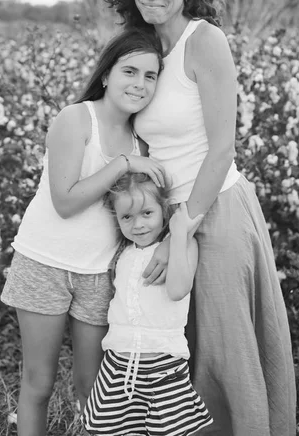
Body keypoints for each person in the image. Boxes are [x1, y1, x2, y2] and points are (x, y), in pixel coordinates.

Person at [103, 0, 296, 436]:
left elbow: (222, 147)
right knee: (178, 352)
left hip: (215, 210)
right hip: (165, 216)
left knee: (226, 349)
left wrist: (180, 230)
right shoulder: (143, 49)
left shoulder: (204, 41)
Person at [1, 27, 168, 436]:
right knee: (38, 384)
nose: (140, 84)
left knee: (92, 388)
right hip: (44, 262)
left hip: (99, 273)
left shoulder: (141, 142)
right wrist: (122, 164)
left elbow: (141, 211)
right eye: (130, 71)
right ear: (107, 74)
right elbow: (65, 201)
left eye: (151, 76)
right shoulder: (76, 118)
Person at [82, 172, 213, 436]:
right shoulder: (122, 252)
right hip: (118, 364)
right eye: (126, 217)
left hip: (162, 366)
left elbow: (178, 290)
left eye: (147, 213)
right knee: (112, 429)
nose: (138, 225)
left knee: (166, 430)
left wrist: (178, 236)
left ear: (164, 211)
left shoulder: (185, 245)